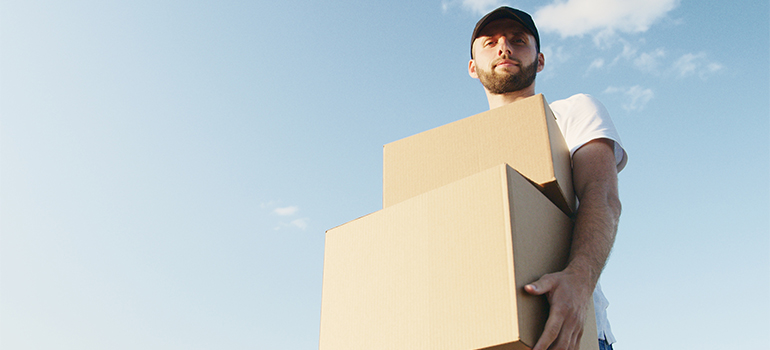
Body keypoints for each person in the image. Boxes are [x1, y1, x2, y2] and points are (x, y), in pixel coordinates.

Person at [468, 7, 628, 350]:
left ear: (539, 60)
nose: (504, 48)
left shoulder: (571, 112)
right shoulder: (462, 151)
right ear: (472, 67)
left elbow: (601, 195)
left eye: (517, 40)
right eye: (491, 42)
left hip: (570, 332)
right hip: (485, 332)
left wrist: (580, 279)